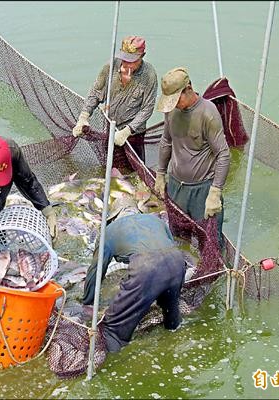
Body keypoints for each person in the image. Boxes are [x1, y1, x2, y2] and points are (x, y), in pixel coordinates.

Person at [153, 67, 230, 247]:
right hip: (176, 186)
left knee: (210, 242)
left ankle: (214, 273)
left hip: (202, 189)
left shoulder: (207, 113)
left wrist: (215, 192)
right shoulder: (171, 110)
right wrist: (160, 173)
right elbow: (166, 141)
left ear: (188, 88)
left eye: (176, 99)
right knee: (178, 237)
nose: (174, 104)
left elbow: (223, 154)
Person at [72, 35, 158, 162]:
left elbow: (147, 108)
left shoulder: (149, 75)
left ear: (142, 56)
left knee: (133, 170)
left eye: (132, 60)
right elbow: (96, 92)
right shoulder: (110, 66)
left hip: (133, 134)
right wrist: (83, 117)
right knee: (108, 164)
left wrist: (127, 131)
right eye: (125, 59)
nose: (127, 63)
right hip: (110, 126)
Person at [81, 197, 177, 306]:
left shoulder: (108, 232)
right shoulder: (157, 221)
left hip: (145, 268)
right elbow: (171, 247)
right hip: (176, 265)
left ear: (114, 217)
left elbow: (96, 271)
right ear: (137, 211)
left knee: (114, 319)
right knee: (170, 313)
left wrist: (87, 302)